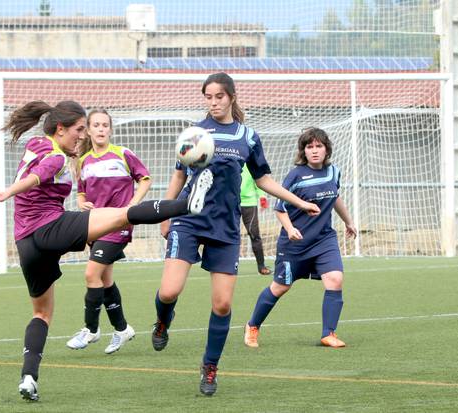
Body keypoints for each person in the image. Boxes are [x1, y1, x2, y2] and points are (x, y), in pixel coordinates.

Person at [0, 100, 212, 402]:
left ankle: (28, 377)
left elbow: (39, 173)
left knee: (41, 313)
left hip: (25, 243)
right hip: (50, 228)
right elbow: (37, 176)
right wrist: (8, 191)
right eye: (79, 130)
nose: (82, 136)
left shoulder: (37, 142)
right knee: (121, 215)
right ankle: (187, 204)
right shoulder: (53, 155)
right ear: (60, 128)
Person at [151, 73, 320, 396]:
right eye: (208, 97)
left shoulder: (248, 137)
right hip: (189, 219)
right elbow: (178, 174)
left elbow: (264, 180)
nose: (213, 103)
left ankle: (210, 366)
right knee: (170, 291)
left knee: (223, 304)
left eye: (219, 97)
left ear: (231, 97)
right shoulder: (195, 133)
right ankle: (162, 321)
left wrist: (299, 201)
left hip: (226, 228)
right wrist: (166, 213)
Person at [243, 127, 357, 350]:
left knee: (335, 279)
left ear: (326, 149)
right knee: (280, 287)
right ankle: (253, 325)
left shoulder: (333, 172)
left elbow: (335, 198)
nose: (314, 151)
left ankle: (329, 333)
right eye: (309, 147)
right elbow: (280, 208)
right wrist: (290, 229)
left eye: (318, 146)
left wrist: (348, 221)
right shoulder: (295, 176)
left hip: (324, 240)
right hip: (294, 244)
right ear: (303, 151)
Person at [65, 108, 151, 354]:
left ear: (110, 130)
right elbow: (81, 190)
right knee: (104, 279)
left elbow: (144, 178)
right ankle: (123, 329)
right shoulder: (84, 161)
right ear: (89, 130)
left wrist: (132, 205)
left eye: (105, 125)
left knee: (91, 274)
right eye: (96, 125)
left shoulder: (122, 154)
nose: (101, 129)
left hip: (118, 224)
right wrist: (81, 202)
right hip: (95, 224)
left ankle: (90, 330)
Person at [240, 164, 272, 275]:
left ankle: (261, 266)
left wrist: (262, 196)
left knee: (254, 234)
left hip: (249, 203)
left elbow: (258, 179)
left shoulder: (250, 160)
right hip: (231, 202)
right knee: (228, 235)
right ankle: (225, 264)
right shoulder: (230, 157)